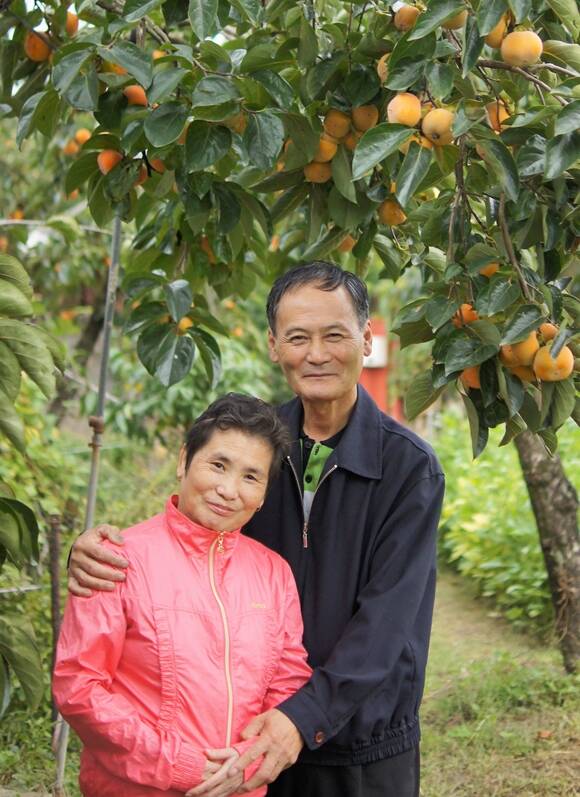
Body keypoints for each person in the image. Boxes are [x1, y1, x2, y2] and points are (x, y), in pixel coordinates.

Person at [68, 262, 445, 797]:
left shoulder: (408, 468)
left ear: (365, 339)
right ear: (274, 345)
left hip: (361, 743)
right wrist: (93, 552)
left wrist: (301, 716)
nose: (316, 353)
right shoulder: (255, 447)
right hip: (249, 744)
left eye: (334, 335)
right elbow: (185, 540)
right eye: (297, 337)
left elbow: (387, 620)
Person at [54, 394, 312, 797]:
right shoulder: (117, 559)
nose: (228, 490)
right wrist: (181, 765)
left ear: (263, 495)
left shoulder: (274, 573)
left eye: (250, 476)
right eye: (218, 465)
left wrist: (248, 761)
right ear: (183, 462)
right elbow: (80, 686)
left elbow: (288, 682)